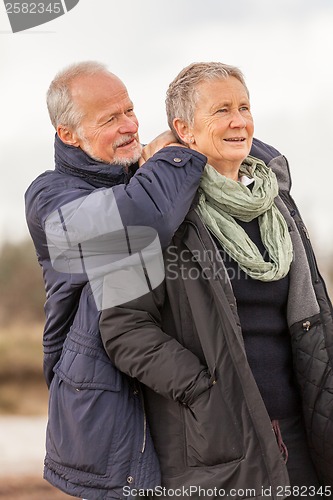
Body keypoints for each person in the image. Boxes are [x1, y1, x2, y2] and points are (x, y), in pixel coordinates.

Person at [100, 62, 333, 499]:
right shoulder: (154, 210)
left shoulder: (276, 202)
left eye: (244, 107)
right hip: (221, 444)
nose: (238, 121)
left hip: (303, 431)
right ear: (184, 129)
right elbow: (122, 329)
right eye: (221, 110)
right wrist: (204, 391)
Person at [25, 60, 209, 500]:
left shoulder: (148, 173)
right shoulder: (48, 200)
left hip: (171, 392)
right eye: (110, 118)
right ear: (68, 134)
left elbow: (238, 148)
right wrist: (174, 149)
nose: (129, 125)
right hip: (106, 409)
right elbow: (144, 222)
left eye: (129, 110)